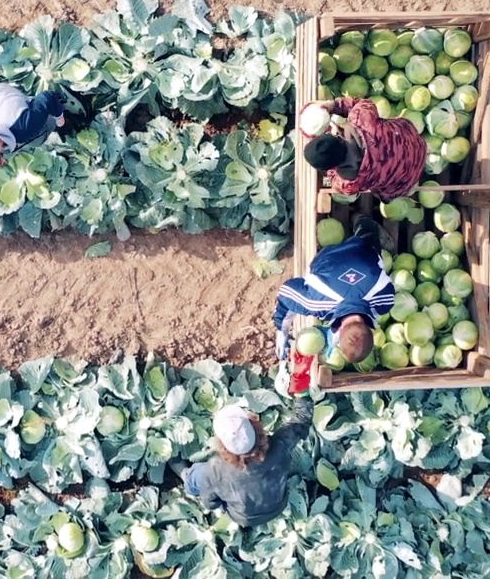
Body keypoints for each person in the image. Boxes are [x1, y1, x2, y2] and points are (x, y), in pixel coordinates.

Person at [272, 216, 394, 369]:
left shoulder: (385, 300)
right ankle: (361, 229)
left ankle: (365, 225)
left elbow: (384, 282)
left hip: (363, 249)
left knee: (372, 253)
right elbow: (286, 292)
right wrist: (281, 330)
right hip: (326, 257)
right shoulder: (317, 303)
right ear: (339, 330)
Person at [181, 396, 314, 527]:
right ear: (255, 427)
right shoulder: (280, 445)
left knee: (195, 477)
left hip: (243, 518)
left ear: (222, 446)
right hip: (278, 505)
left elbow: (209, 503)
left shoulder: (215, 470)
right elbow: (302, 420)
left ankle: (182, 473)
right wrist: (302, 394)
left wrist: (221, 501)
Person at [303, 97, 427, 200]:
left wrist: (331, 171)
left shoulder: (350, 182)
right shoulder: (361, 119)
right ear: (335, 136)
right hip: (413, 142)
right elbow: (361, 103)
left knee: (384, 193)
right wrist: (333, 106)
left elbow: (336, 184)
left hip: (407, 180)